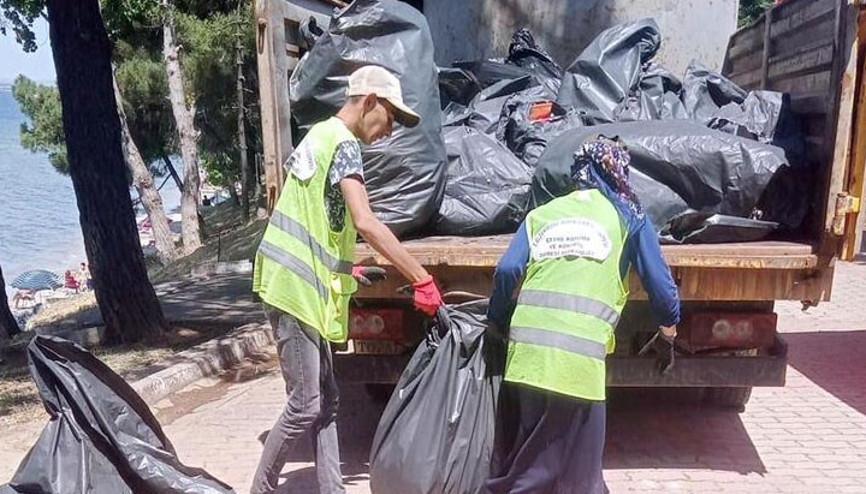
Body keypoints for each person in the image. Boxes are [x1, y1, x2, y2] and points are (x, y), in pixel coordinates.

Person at [250, 65, 444, 494]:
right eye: (390, 118)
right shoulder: (343, 143)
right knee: (305, 404)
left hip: (293, 281)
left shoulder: (319, 135)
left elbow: (312, 215)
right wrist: (420, 277)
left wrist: (345, 269)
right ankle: (260, 489)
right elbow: (365, 222)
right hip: (295, 287)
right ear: (369, 101)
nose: (389, 131)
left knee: (326, 402)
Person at [484, 137, 681, 494]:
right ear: (617, 172)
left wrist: (496, 320)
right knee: (571, 478)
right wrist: (668, 333)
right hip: (577, 365)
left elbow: (508, 269)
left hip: (526, 357)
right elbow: (661, 286)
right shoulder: (628, 217)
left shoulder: (542, 214)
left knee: (531, 462)